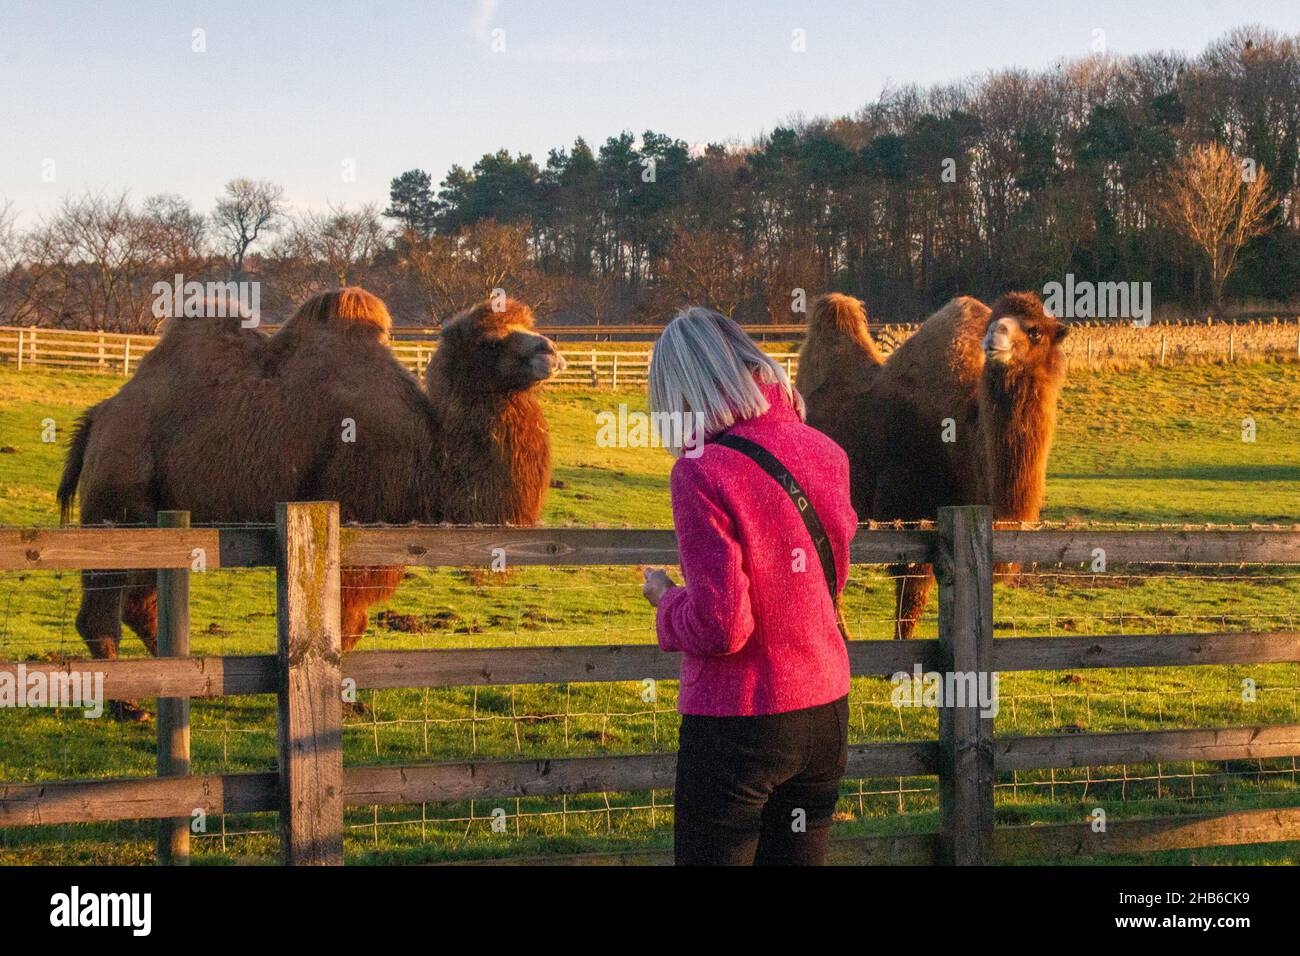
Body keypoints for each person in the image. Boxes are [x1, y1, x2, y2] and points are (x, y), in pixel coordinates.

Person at [640, 306, 858, 865]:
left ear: (681, 390)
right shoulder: (827, 451)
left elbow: (723, 625)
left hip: (740, 720)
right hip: (825, 708)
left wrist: (666, 603)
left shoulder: (701, 470)